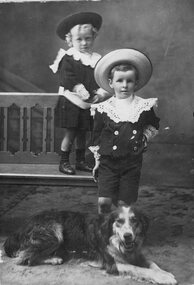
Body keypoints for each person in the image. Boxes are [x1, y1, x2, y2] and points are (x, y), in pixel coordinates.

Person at [89, 48, 160, 215]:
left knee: (124, 204)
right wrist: (97, 160)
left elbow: (153, 125)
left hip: (131, 163)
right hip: (108, 162)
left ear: (136, 83)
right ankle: (104, 231)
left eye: (129, 81)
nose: (124, 85)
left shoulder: (143, 106)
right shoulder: (103, 108)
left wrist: (143, 138)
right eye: (120, 81)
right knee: (104, 202)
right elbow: (97, 135)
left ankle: (123, 232)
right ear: (111, 82)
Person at [50, 12, 107, 175]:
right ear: (70, 40)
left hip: (88, 102)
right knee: (71, 132)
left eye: (87, 38)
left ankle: (80, 161)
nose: (84, 43)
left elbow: (101, 78)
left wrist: (101, 92)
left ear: (93, 37)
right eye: (79, 39)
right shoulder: (67, 57)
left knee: (83, 133)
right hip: (71, 101)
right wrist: (79, 88)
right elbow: (66, 78)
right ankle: (64, 161)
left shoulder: (97, 59)